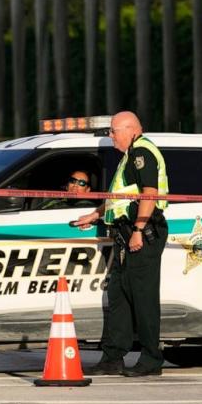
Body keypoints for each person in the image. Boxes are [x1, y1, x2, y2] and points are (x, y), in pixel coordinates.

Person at [71, 111, 169, 377]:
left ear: (130, 130)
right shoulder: (129, 156)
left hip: (143, 232)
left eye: (114, 131)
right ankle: (113, 357)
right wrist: (95, 214)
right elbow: (119, 197)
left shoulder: (142, 153)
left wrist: (138, 229)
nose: (111, 136)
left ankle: (151, 360)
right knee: (119, 295)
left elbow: (150, 193)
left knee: (143, 298)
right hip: (126, 234)